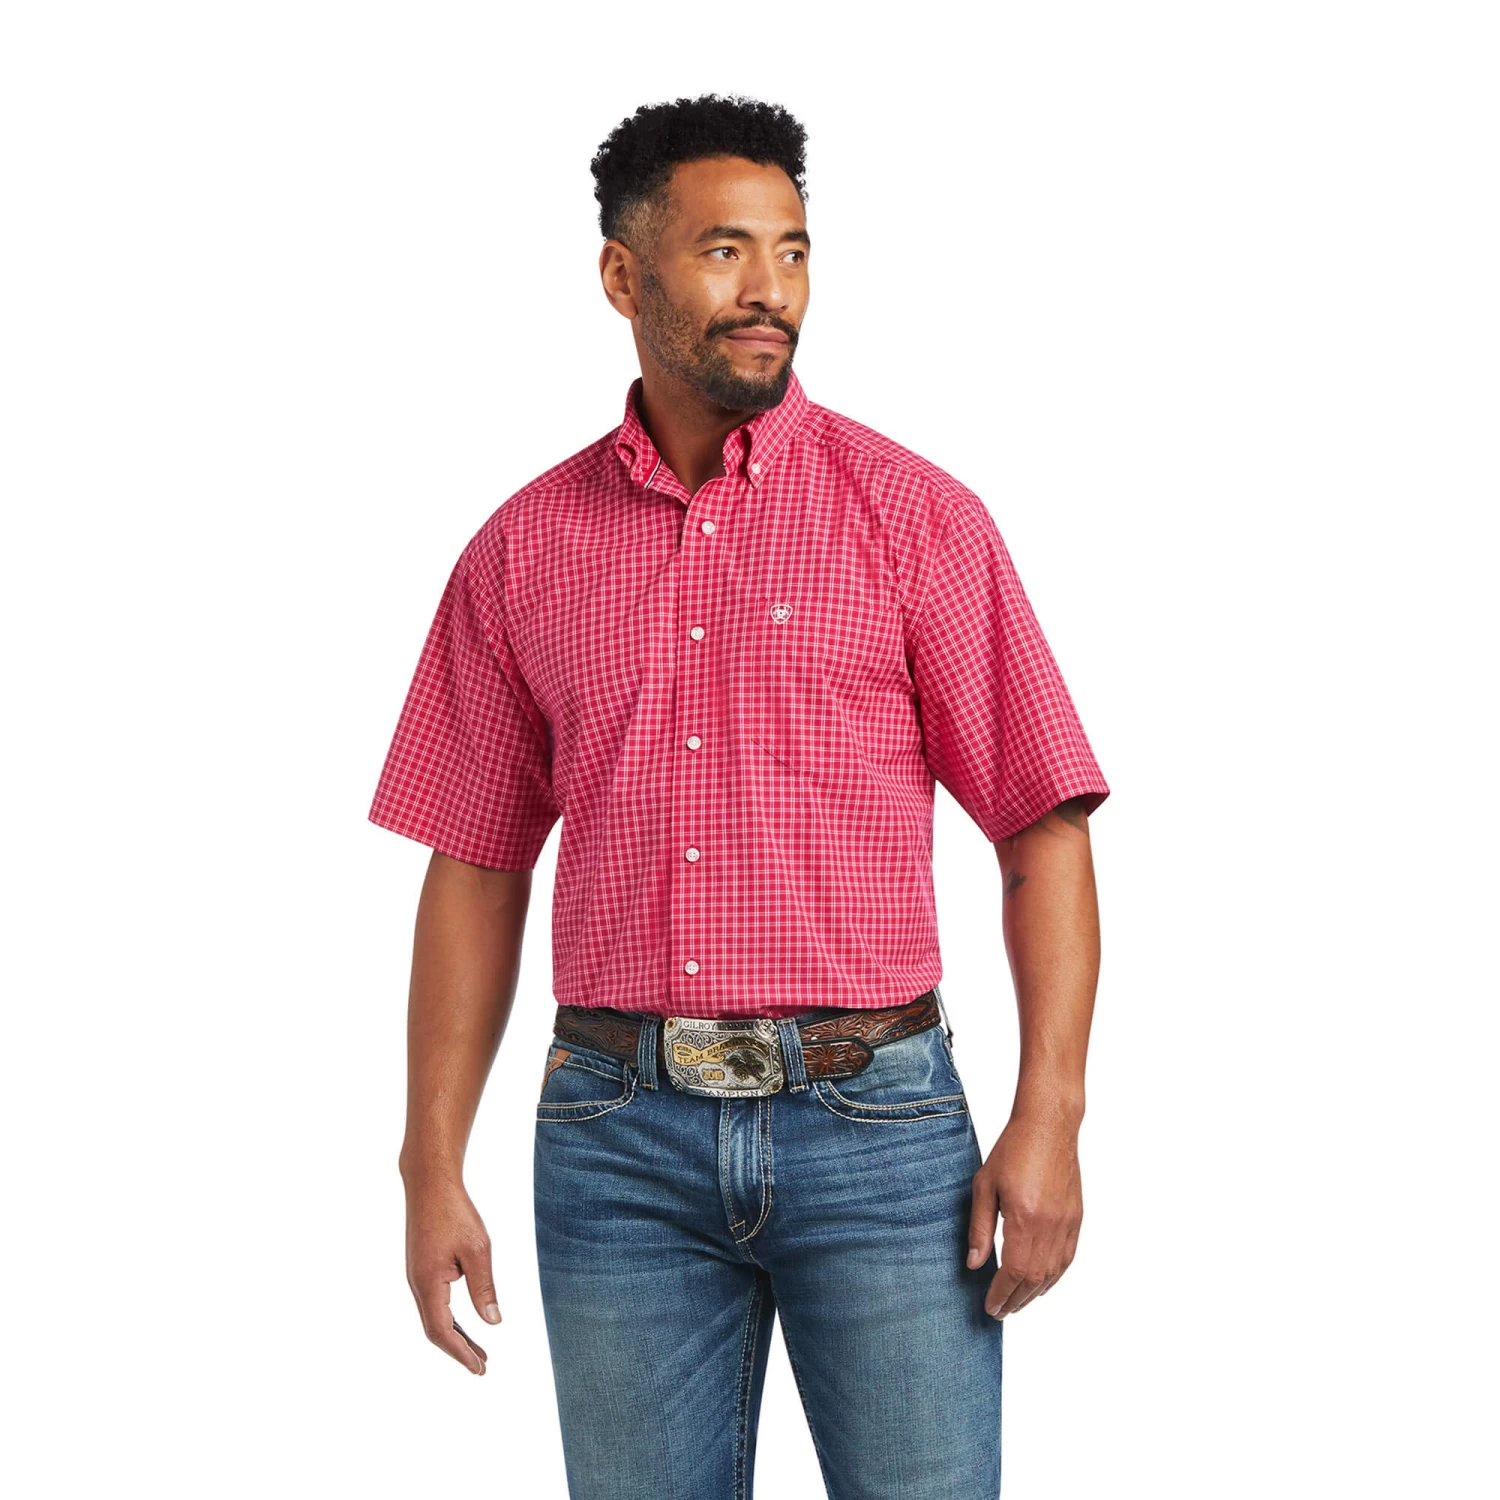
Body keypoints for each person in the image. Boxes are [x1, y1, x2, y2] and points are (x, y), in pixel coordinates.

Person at [368, 93, 1109, 1500]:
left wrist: (1051, 1116)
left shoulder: (918, 519)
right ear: (622, 275)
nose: (772, 288)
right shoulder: (522, 550)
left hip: (882, 1137)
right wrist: (428, 1163)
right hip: (614, 1145)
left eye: (794, 250)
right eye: (725, 250)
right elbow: (474, 863)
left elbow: (1041, 825)